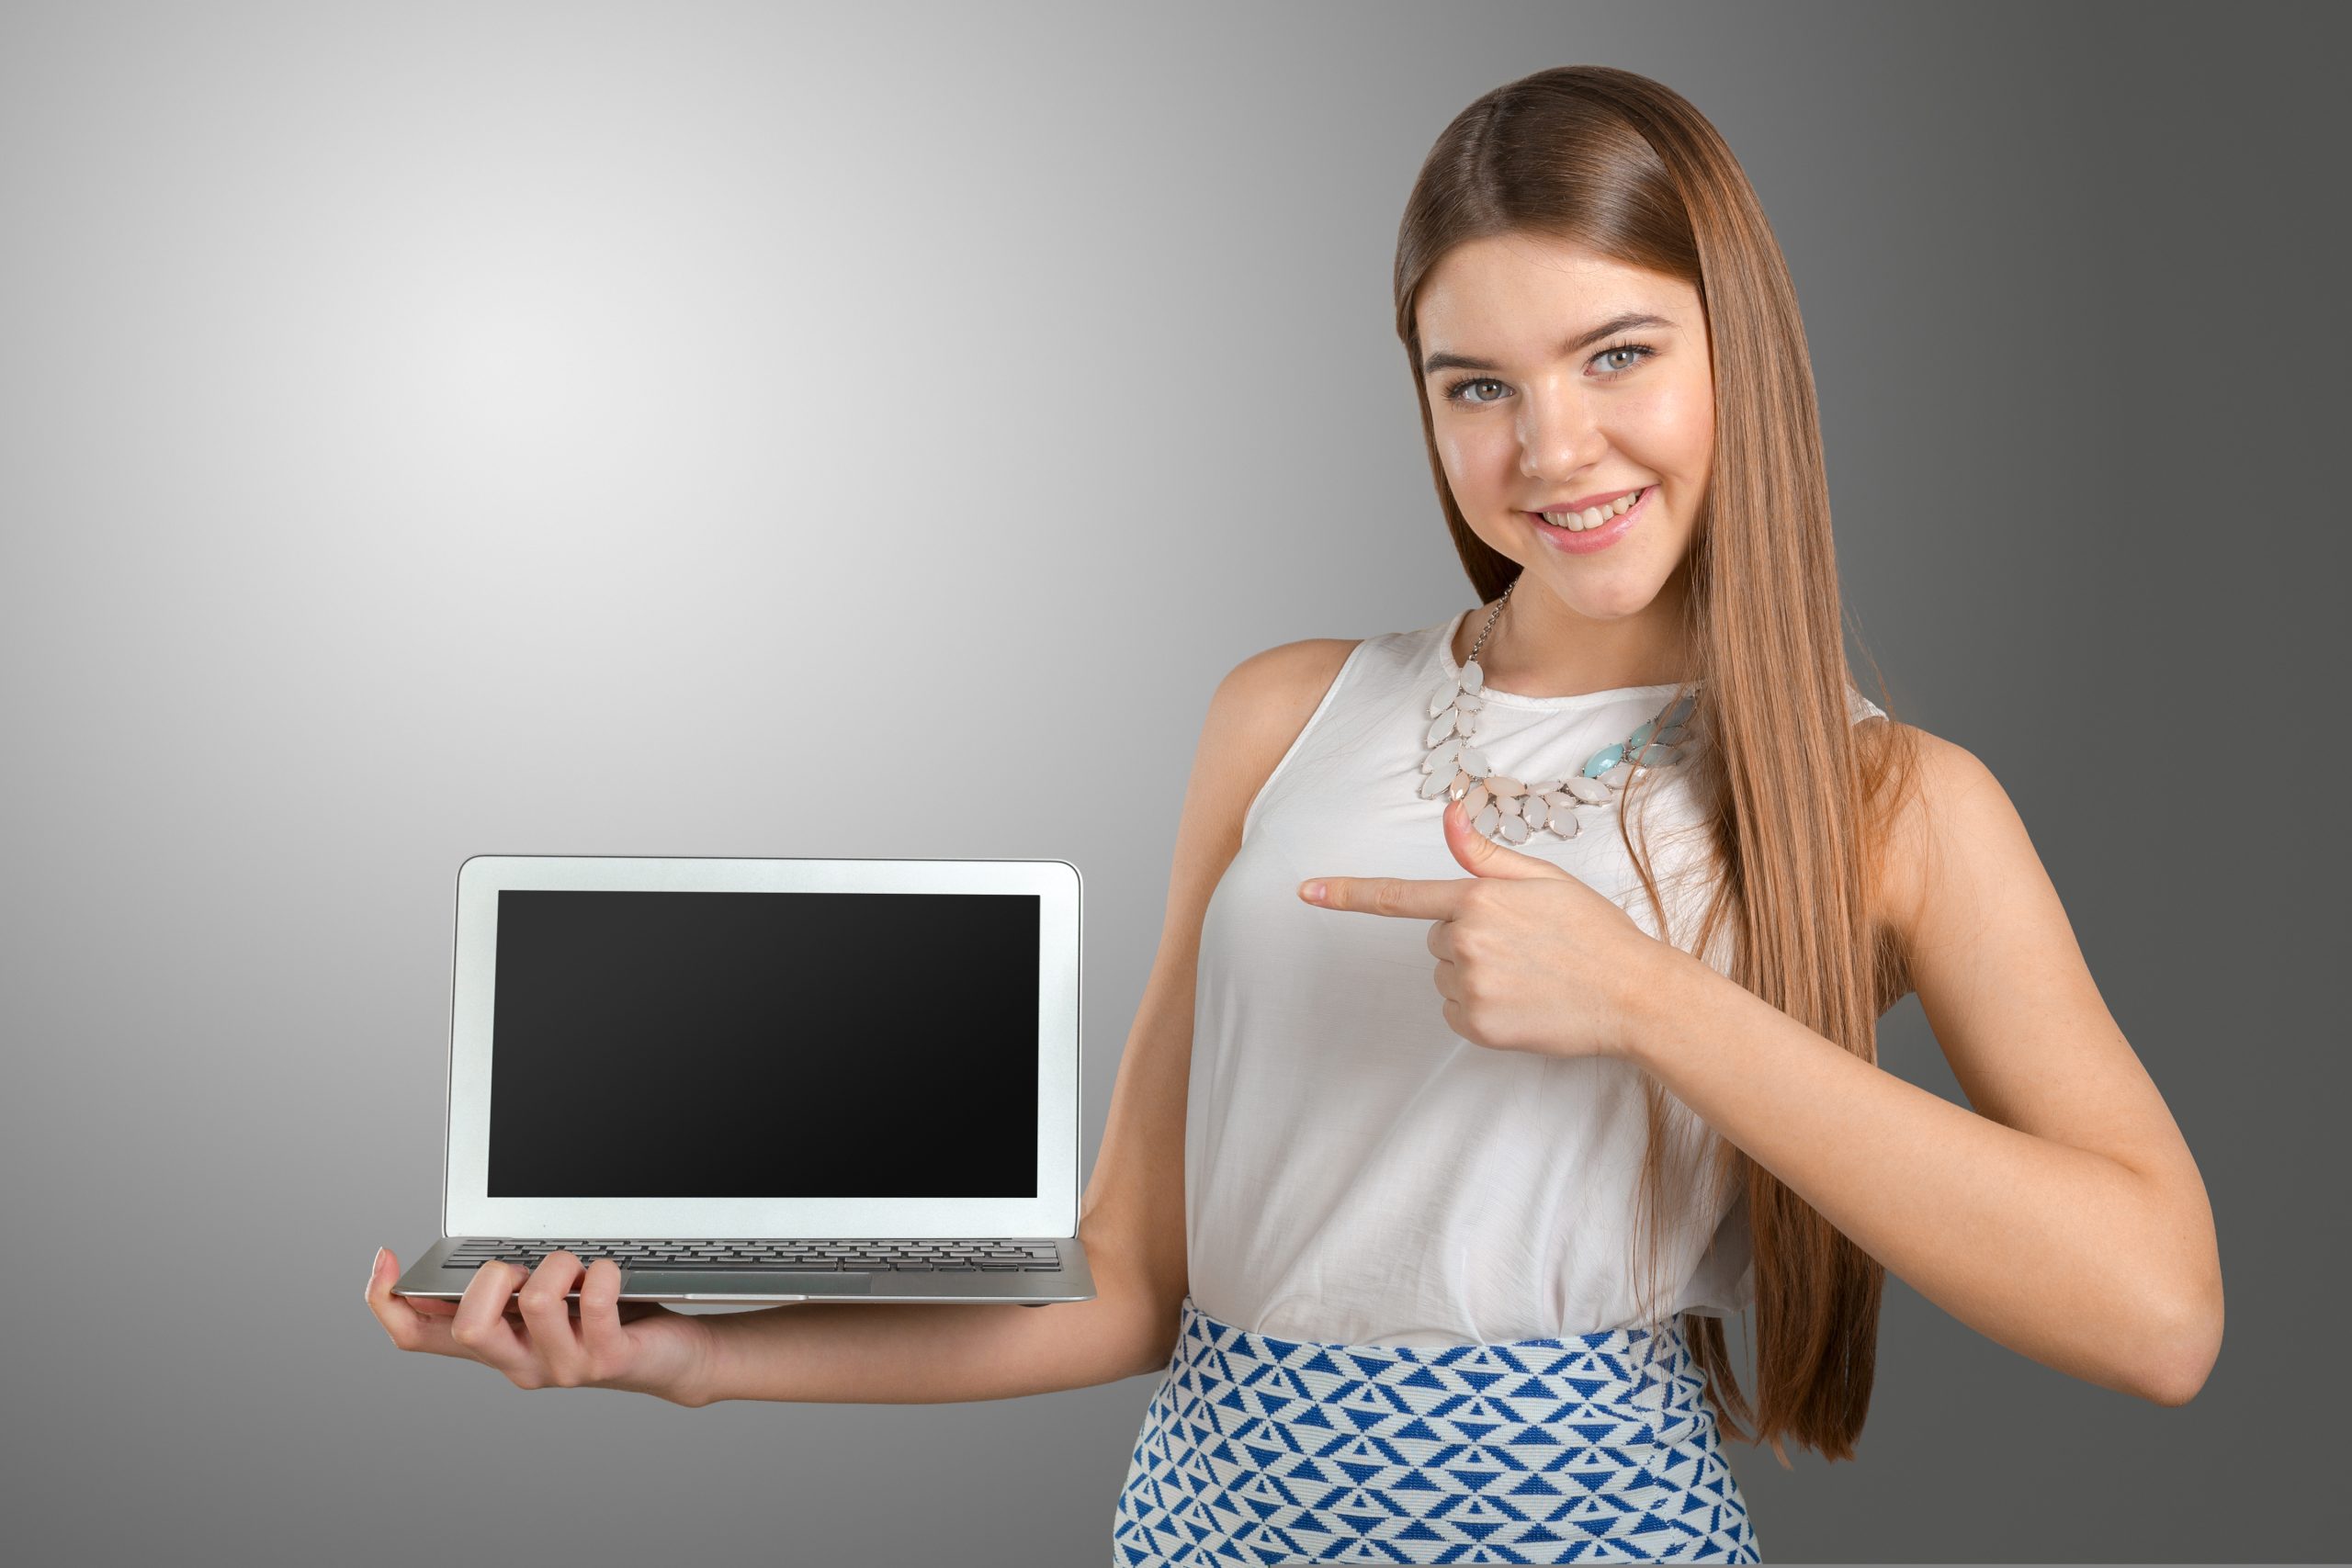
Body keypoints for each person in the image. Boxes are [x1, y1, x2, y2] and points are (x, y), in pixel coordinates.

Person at [363, 64, 2223, 1565]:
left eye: (1616, 354)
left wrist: (1649, 997)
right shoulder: (1288, 711)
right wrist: (693, 1359)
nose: (1548, 448)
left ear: (1739, 346)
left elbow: (2154, 1310)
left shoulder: (1888, 795)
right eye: (1471, 384)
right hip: (1206, 1526)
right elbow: (1122, 1281)